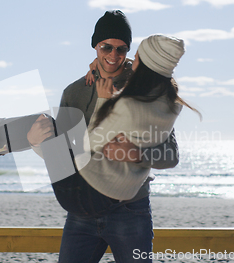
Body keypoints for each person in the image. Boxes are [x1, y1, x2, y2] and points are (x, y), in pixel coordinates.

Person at [27, 10, 194, 263]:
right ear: (95, 46)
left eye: (122, 49)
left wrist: (137, 154)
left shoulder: (144, 91)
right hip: (82, 210)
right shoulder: (75, 93)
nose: (113, 55)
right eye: (106, 47)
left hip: (130, 209)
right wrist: (37, 142)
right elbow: (68, 155)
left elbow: (171, 156)